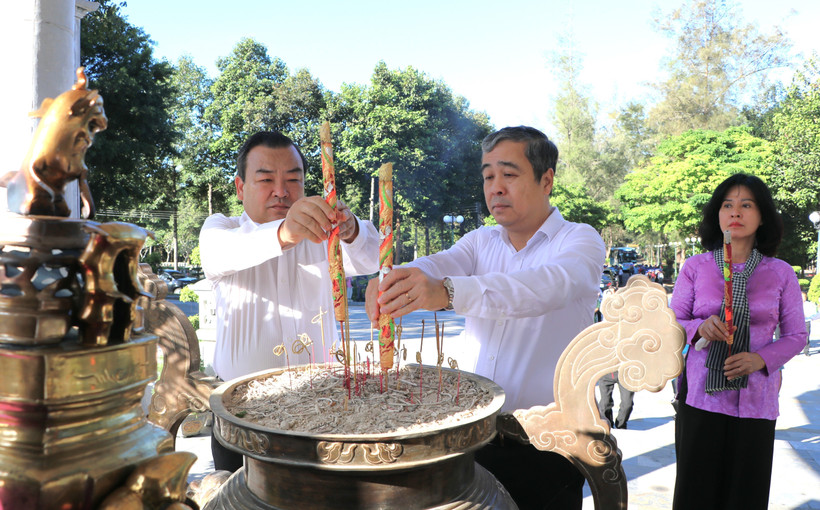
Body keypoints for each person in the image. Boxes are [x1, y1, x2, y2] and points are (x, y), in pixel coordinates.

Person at [365, 126, 606, 509]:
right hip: (471, 434)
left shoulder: (580, 240)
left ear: (547, 180)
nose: (495, 187)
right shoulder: (480, 241)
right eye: (488, 176)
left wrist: (447, 291)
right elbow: (437, 264)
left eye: (509, 174)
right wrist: (394, 281)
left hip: (548, 443)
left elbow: (544, 287)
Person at [200, 131, 379, 471]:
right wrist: (286, 232)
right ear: (240, 188)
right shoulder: (222, 228)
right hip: (241, 412)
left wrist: (351, 228)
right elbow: (217, 254)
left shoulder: (323, 237)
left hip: (321, 409)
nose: (281, 191)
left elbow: (373, 256)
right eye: (266, 179)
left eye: (293, 180)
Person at [670, 173, 806, 510]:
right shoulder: (696, 267)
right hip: (702, 396)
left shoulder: (780, 273)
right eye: (727, 205)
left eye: (747, 205)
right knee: (695, 492)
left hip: (757, 397)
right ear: (717, 215)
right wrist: (700, 328)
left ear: (762, 217)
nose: (736, 212)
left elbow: (796, 335)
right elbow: (671, 322)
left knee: (746, 493)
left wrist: (760, 359)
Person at [802, 291, 815, 356]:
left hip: (806, 321)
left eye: (803, 297)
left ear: (805, 297)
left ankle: (806, 351)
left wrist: (806, 315)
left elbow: (813, 313)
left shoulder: (809, 305)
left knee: (806, 337)